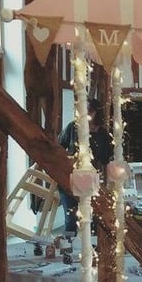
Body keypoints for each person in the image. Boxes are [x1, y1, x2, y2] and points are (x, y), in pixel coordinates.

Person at [58, 99, 113, 234]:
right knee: (71, 218)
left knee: (93, 219)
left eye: (89, 110)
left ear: (96, 113)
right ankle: (68, 245)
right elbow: (59, 147)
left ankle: (92, 245)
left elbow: (105, 161)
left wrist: (106, 185)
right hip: (69, 178)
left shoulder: (103, 135)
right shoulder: (73, 127)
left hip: (90, 179)